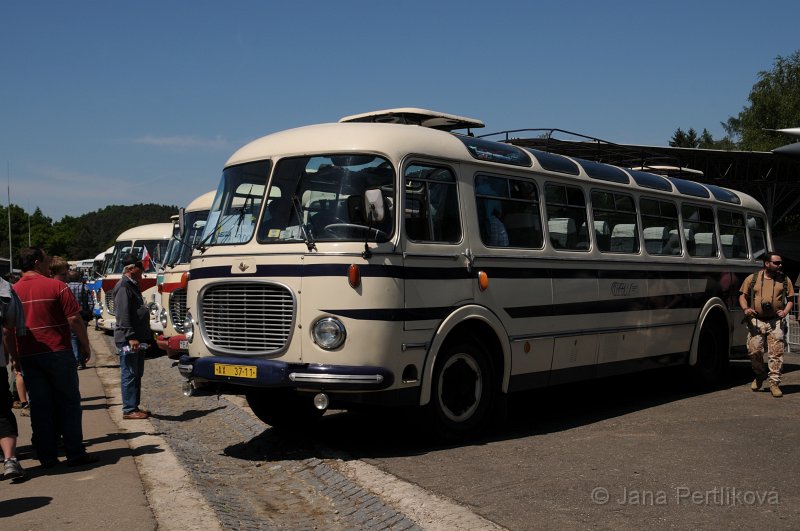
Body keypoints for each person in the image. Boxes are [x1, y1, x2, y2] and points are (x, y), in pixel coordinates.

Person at [12, 247, 98, 468]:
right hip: (58, 351)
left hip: (29, 354)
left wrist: (15, 357)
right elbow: (74, 319)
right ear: (38, 263)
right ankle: (75, 452)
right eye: (46, 262)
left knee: (40, 406)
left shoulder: (13, 291)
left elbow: (8, 329)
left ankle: (46, 456)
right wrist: (86, 345)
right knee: (68, 403)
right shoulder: (57, 286)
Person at [739, 251, 795, 398]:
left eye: (781, 262)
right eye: (776, 263)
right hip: (756, 320)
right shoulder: (753, 278)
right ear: (767, 263)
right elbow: (742, 296)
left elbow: (790, 299)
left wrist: (786, 311)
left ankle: (774, 383)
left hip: (775, 320)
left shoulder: (784, 279)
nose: (780, 265)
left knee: (776, 352)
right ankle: (760, 375)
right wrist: (746, 309)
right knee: (754, 350)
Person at [111, 255, 152, 420]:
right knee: (129, 373)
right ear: (130, 269)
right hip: (129, 339)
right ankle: (129, 409)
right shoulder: (123, 286)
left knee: (136, 373)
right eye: (140, 267)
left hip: (137, 337)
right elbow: (123, 315)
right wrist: (131, 336)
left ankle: (133, 406)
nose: (143, 270)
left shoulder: (132, 285)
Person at [1, 275, 27, 479]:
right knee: (2, 411)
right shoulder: (3, 287)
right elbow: (8, 330)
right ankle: (10, 460)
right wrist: (14, 358)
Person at [66, 270, 92, 369]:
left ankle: (76, 360)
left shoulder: (66, 287)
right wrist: (89, 314)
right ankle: (82, 360)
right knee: (83, 337)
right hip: (82, 316)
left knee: (73, 337)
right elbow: (90, 303)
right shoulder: (84, 287)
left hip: (69, 316)